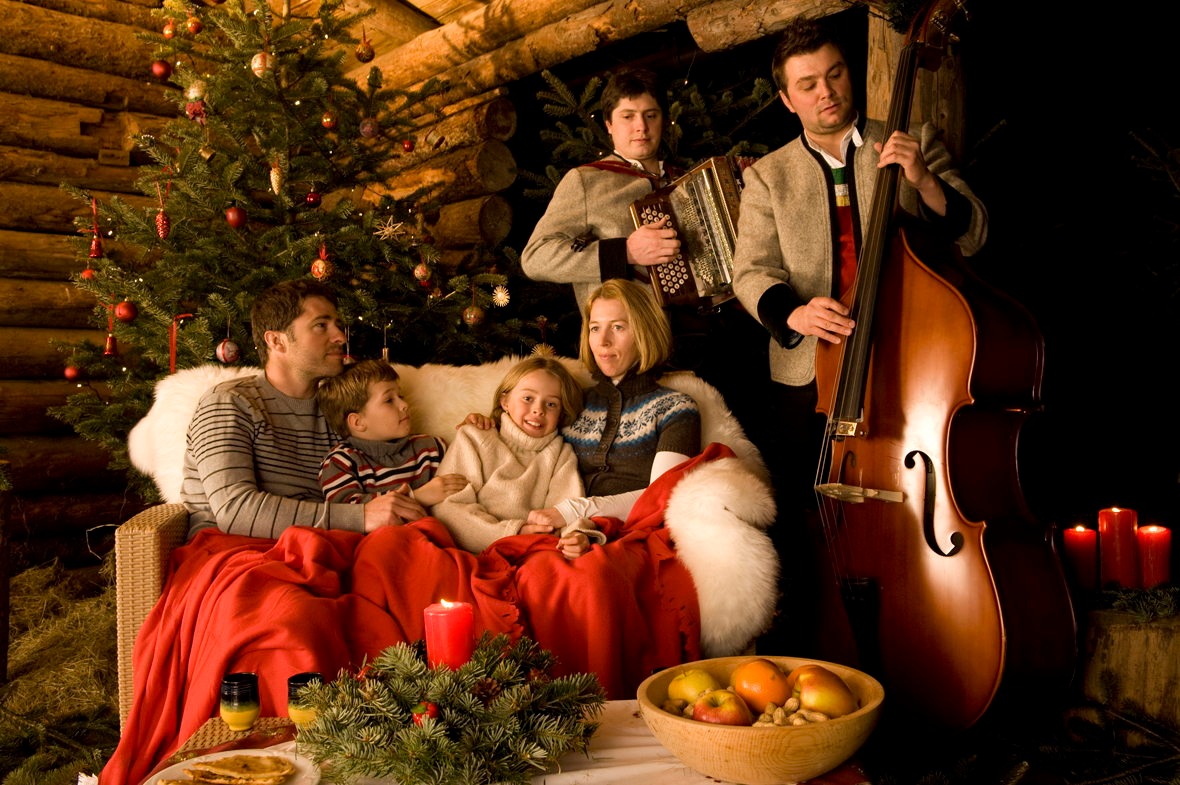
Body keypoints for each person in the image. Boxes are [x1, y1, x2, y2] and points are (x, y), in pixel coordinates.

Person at [729, 15, 988, 653]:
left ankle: (922, 630)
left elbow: (976, 232)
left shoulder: (906, 138)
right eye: (808, 83)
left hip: (909, 355)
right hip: (810, 374)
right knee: (809, 516)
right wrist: (792, 314)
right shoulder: (767, 175)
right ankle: (818, 649)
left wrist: (924, 181)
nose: (827, 92)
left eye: (836, 74)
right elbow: (751, 271)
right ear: (787, 99)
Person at [520, 67, 768, 441]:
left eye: (651, 116)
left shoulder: (686, 178)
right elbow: (535, 257)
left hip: (715, 334)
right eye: (628, 117)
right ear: (609, 125)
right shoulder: (587, 181)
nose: (641, 127)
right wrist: (625, 251)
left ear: (663, 121)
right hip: (644, 348)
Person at [180, 279, 427, 539]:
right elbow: (235, 511)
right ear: (276, 341)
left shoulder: (338, 407)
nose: (340, 337)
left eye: (337, 325)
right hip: (235, 551)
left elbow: (387, 466)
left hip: (328, 545)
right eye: (321, 325)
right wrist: (362, 516)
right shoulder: (229, 403)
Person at [524, 278, 702, 531]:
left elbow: (661, 498)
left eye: (618, 327)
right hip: (560, 533)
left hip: (632, 536)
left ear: (645, 332)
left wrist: (575, 511)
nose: (603, 341)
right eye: (595, 328)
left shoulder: (675, 408)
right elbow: (521, 452)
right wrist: (487, 422)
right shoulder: (573, 400)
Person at [430, 355, 605, 558]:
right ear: (505, 401)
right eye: (528, 398)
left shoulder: (560, 454)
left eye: (551, 404)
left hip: (531, 553)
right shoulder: (474, 437)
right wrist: (514, 531)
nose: (538, 410)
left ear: (562, 414)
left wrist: (576, 535)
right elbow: (448, 509)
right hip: (472, 551)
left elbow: (569, 508)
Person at [316, 358, 467, 505]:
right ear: (358, 422)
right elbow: (348, 514)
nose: (404, 405)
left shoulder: (431, 447)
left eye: (400, 396)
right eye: (389, 400)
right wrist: (418, 497)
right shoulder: (340, 462)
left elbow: (468, 474)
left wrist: (473, 429)